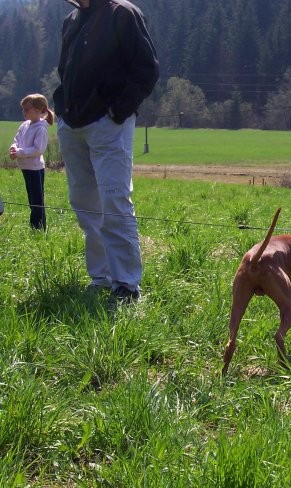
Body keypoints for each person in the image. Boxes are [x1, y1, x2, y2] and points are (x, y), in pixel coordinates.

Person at [53, 0, 159, 303]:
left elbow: (146, 69)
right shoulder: (72, 19)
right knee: (84, 202)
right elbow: (65, 70)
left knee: (114, 199)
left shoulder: (122, 13)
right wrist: (62, 111)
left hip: (108, 124)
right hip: (71, 124)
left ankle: (126, 285)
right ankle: (101, 278)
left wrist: (117, 111)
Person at [9, 94, 54, 231]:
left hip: (35, 168)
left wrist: (19, 153)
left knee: (37, 201)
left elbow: (38, 149)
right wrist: (14, 147)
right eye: (23, 109)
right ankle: (35, 226)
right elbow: (17, 139)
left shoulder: (41, 128)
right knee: (31, 198)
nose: (24, 112)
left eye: (27, 109)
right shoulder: (24, 125)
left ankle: (39, 228)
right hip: (25, 167)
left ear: (38, 110)